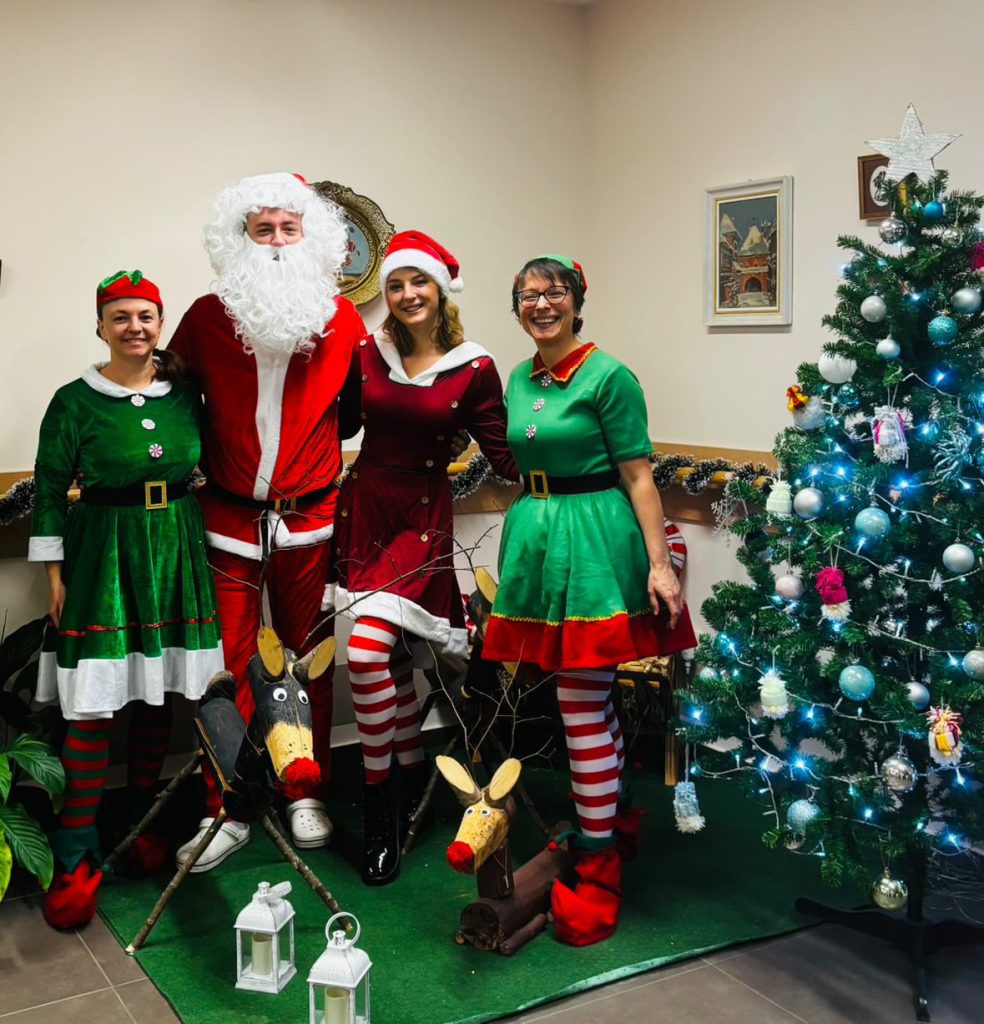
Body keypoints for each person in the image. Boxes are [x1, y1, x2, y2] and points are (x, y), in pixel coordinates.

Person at [481, 255, 697, 947]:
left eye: (555, 293)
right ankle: (614, 820)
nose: (541, 304)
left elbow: (640, 477)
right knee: (587, 701)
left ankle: (599, 870)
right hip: (540, 541)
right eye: (528, 295)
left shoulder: (609, 376)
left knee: (578, 703)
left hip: (597, 544)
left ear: (577, 301)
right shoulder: (520, 377)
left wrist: (661, 566)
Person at [167, 172, 365, 868]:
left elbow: (352, 415)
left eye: (289, 228)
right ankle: (227, 806)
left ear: (310, 237)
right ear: (240, 238)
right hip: (226, 517)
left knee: (309, 657)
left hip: (310, 518)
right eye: (263, 229)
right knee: (225, 668)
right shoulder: (205, 318)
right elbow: (172, 401)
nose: (277, 241)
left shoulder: (342, 322)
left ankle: (304, 790)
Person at [29, 271, 224, 929]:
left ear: (160, 324)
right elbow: (49, 489)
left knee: (157, 695)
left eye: (145, 316)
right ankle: (76, 855)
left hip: (176, 547)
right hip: (103, 556)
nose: (134, 327)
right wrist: (54, 577)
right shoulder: (73, 401)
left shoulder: (187, 394)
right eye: (120, 317)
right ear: (101, 326)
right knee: (93, 706)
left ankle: (141, 828)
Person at [333, 231, 518, 885]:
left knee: (365, 654)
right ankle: (406, 781)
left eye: (419, 282)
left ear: (440, 290)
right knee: (384, 657)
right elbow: (337, 425)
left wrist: (581, 460)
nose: (408, 294)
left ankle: (382, 806)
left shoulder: (474, 366)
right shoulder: (366, 353)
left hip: (420, 520)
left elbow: (505, 453)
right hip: (365, 512)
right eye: (396, 284)